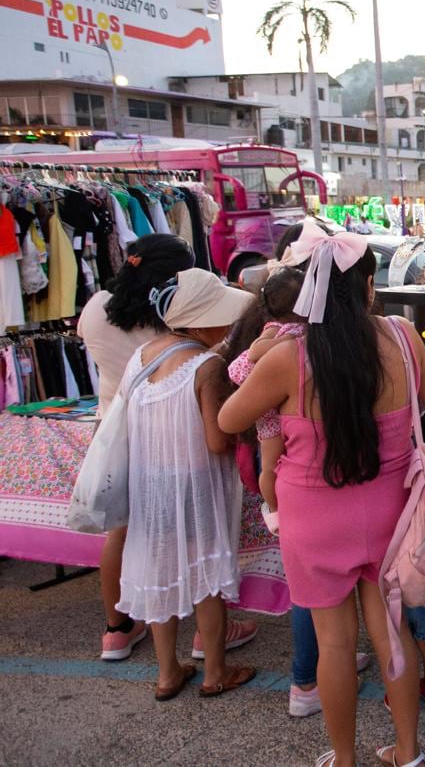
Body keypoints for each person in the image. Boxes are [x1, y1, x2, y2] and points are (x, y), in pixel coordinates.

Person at [218, 223, 425, 767]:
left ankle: (344, 758)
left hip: (313, 520)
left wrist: (264, 348)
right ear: (368, 287)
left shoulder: (288, 356)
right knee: (392, 635)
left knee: (336, 646)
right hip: (389, 511)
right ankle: (407, 752)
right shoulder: (402, 338)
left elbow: (229, 417)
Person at [77, 234, 258, 663]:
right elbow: (216, 436)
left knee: (141, 547)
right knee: (202, 557)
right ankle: (211, 655)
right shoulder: (195, 348)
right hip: (188, 451)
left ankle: (131, 641)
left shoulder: (105, 318)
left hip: (127, 439)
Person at [117, 268, 258, 700]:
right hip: (196, 485)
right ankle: (215, 672)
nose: (228, 325)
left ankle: (166, 674)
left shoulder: (142, 356)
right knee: (205, 578)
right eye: (221, 316)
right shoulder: (208, 365)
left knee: (163, 568)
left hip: (150, 484)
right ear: (199, 322)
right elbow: (218, 442)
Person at [226, 268, 307, 532]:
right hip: (266, 405)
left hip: (283, 398)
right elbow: (255, 352)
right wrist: (287, 341)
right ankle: (275, 511)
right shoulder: (274, 329)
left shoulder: (306, 326)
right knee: (270, 464)